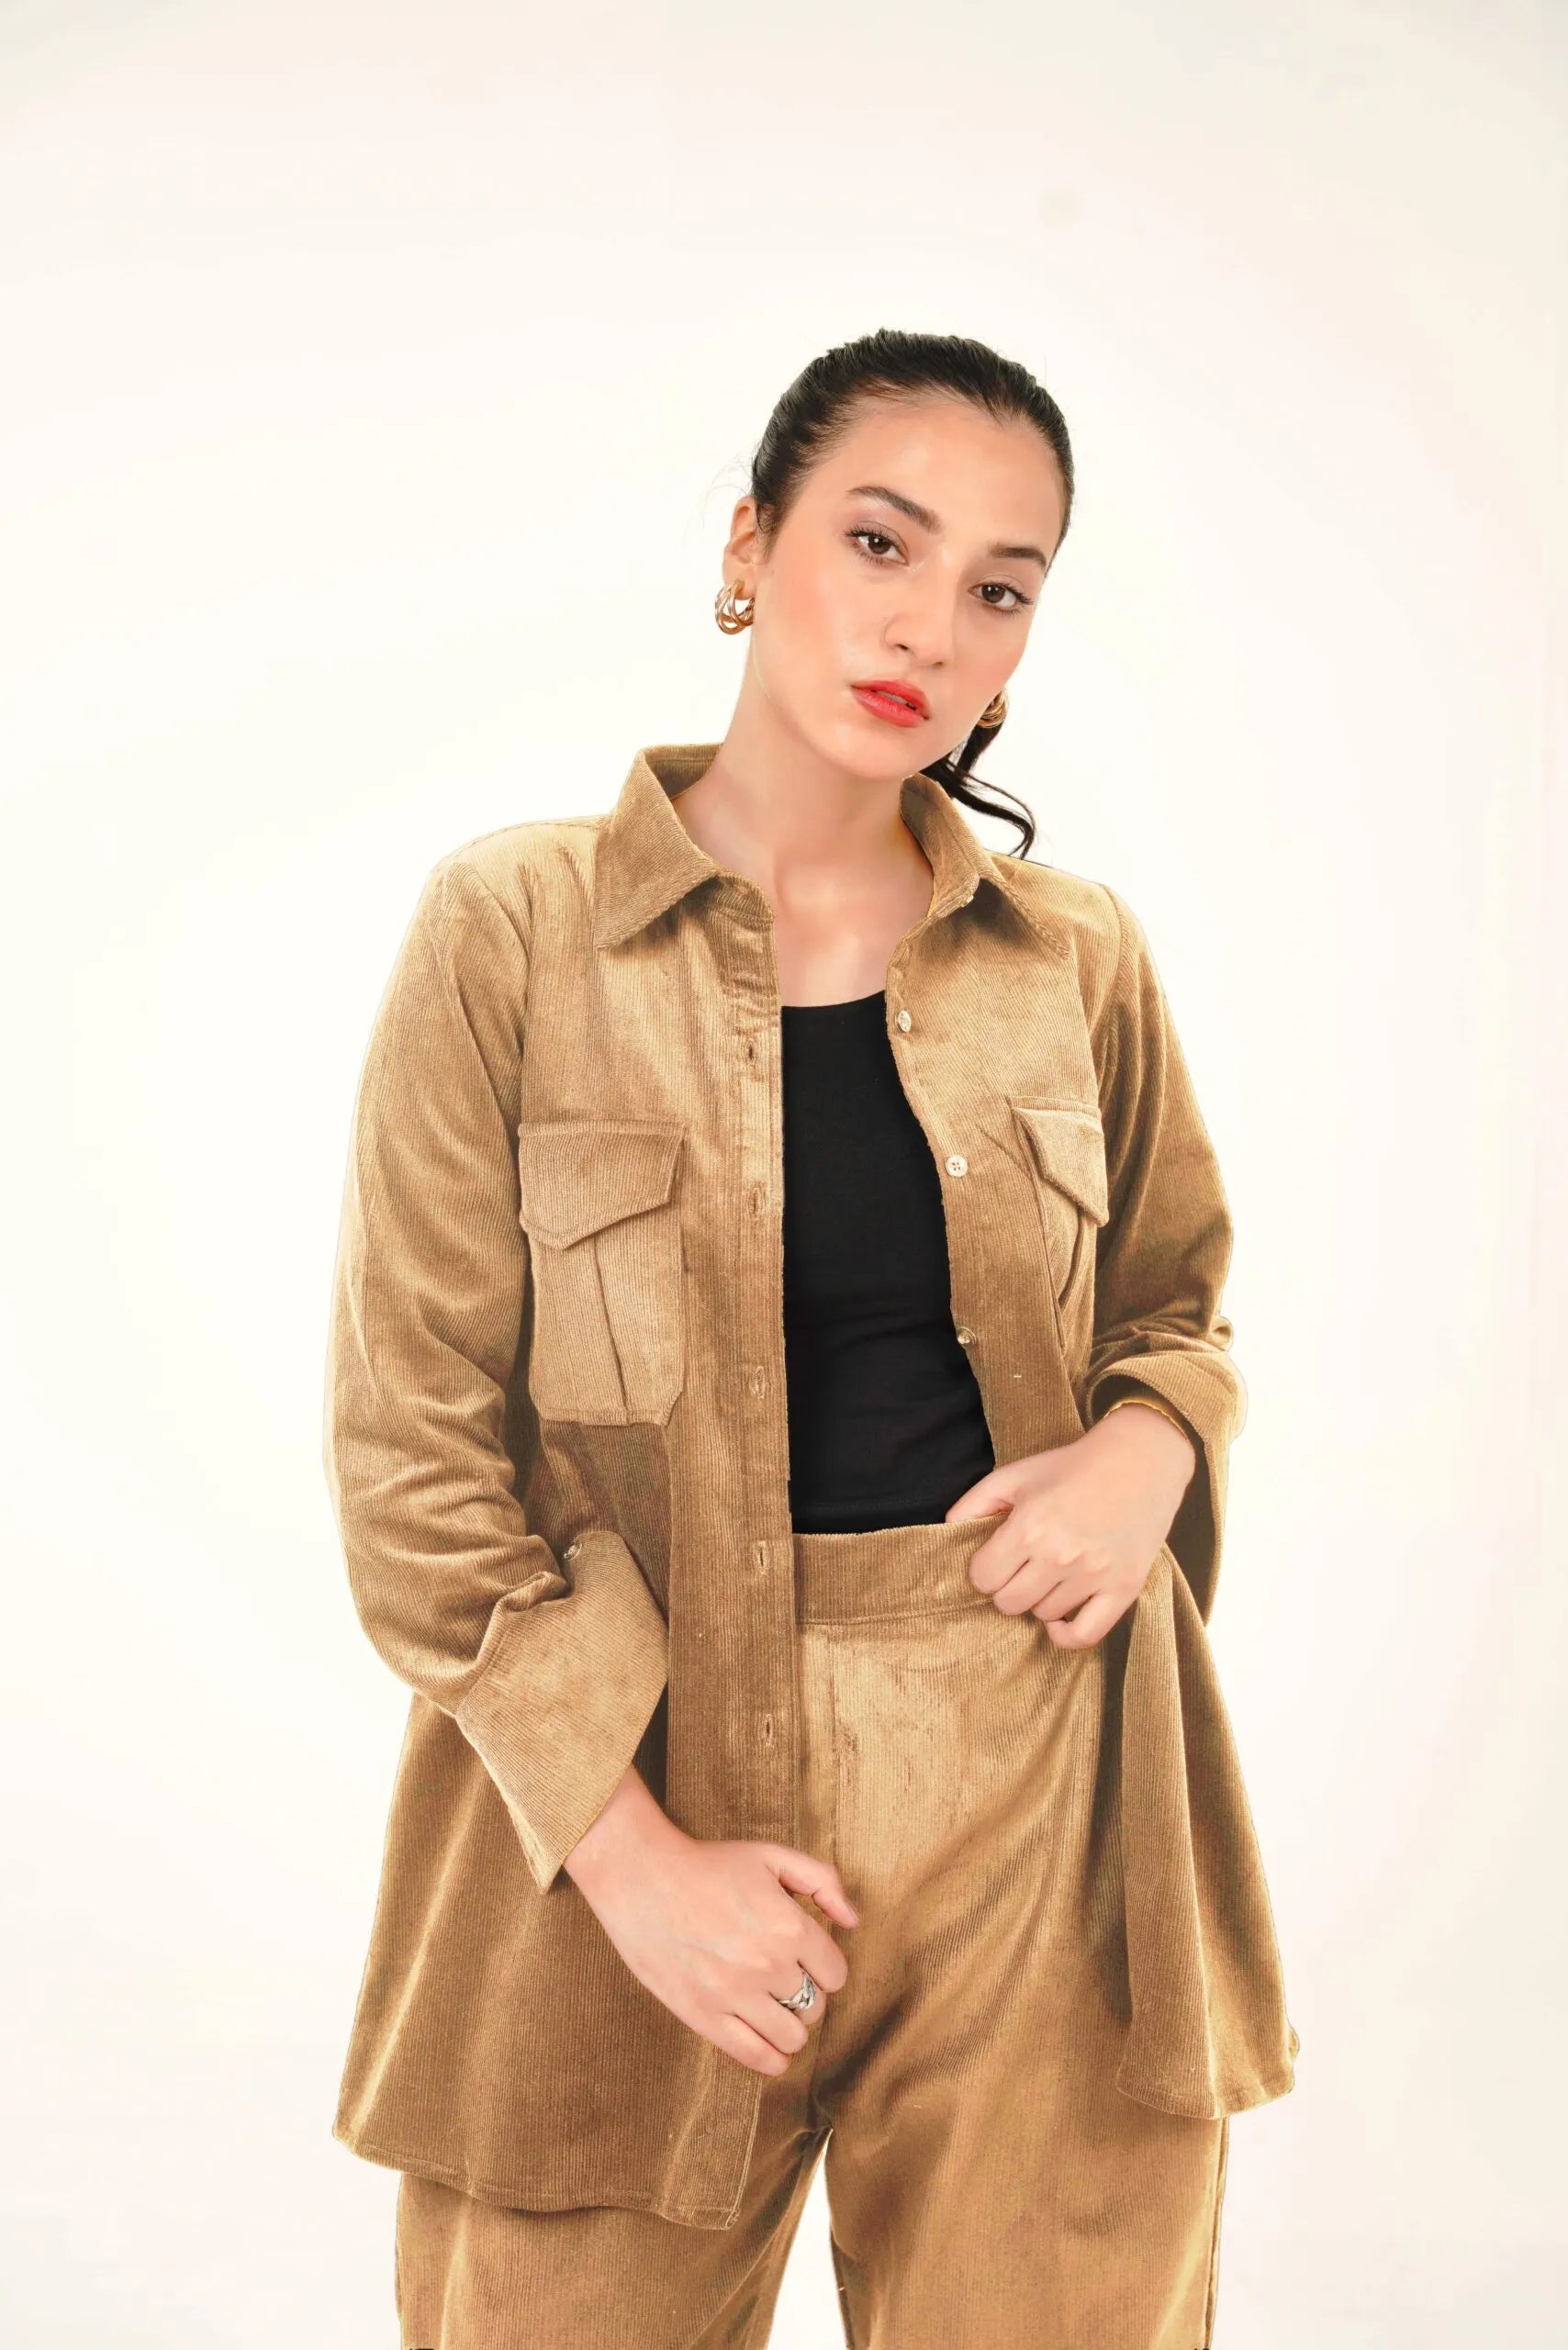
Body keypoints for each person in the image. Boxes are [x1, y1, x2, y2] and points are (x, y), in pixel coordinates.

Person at [322, 327, 1299, 2348]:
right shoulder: (511, 932)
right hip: (629, 1791)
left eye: (1001, 586)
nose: (931, 625)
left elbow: (1177, 1305)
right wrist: (632, 1859)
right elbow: (412, 1460)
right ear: (749, 547)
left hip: (1040, 1790)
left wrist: (1147, 1448)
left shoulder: (1076, 956)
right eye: (880, 541)